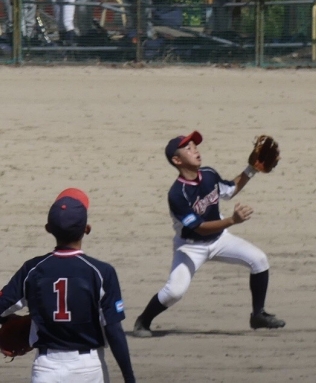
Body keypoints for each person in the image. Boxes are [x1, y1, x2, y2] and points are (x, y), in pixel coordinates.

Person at [132, 131, 285, 338]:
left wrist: (251, 170)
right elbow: (199, 227)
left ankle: (258, 315)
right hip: (190, 247)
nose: (195, 150)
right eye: (188, 148)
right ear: (177, 160)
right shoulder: (177, 194)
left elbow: (229, 190)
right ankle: (143, 321)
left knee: (259, 260)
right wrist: (232, 220)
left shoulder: (209, 174)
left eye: (195, 146)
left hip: (220, 239)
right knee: (175, 292)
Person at [0, 188, 136, 383]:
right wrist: (129, 378)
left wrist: (10, 321)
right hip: (88, 369)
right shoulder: (101, 272)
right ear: (87, 229)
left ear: (48, 228)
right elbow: (114, 331)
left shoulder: (32, 269)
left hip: (47, 369)